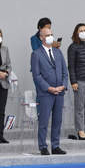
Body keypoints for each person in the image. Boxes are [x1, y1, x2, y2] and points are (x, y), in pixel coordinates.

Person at [30, 25, 68, 156]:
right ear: (41, 38)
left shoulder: (58, 52)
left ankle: (56, 145)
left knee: (57, 120)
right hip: (46, 93)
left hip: (59, 92)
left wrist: (63, 86)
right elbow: (36, 76)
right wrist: (49, 88)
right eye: (47, 35)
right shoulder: (36, 54)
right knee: (44, 121)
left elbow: (65, 71)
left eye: (51, 34)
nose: (50, 37)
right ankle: (43, 146)